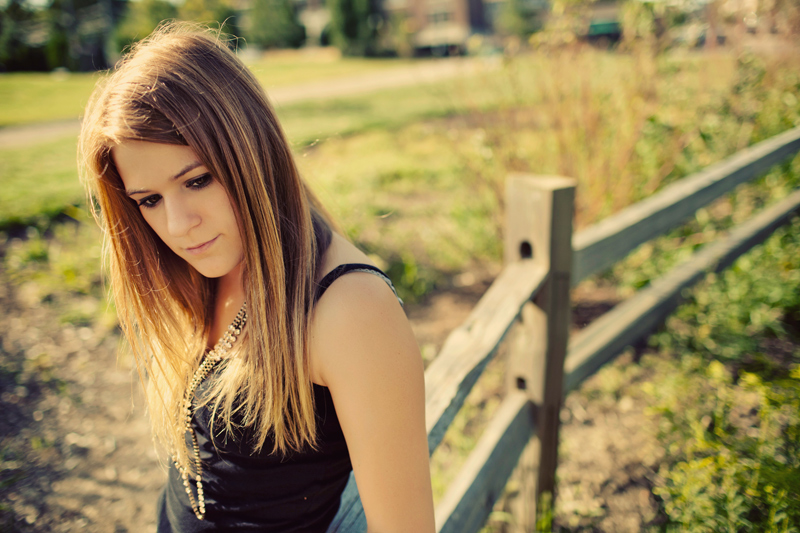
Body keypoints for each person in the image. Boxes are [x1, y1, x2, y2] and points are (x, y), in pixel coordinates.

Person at [78, 22, 435, 532]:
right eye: (149, 201)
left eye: (197, 180)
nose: (177, 227)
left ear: (251, 150)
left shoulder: (350, 311)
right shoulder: (206, 264)